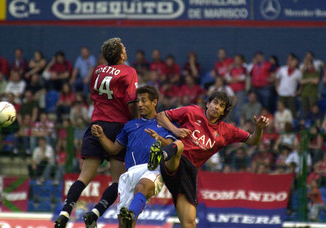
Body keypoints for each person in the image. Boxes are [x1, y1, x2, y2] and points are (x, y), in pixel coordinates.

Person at [150, 91, 269, 227]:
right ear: (208, 103)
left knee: (190, 223)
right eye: (215, 102)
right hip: (174, 160)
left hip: (188, 173)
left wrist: (259, 129)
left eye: (222, 105)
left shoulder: (227, 131)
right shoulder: (192, 111)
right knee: (179, 145)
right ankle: (160, 155)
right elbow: (161, 116)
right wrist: (175, 130)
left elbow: (253, 141)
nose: (217, 107)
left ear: (224, 111)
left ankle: (163, 154)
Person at [54, 37, 138, 228]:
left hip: (96, 125)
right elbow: (132, 102)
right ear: (121, 54)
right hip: (118, 127)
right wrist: (136, 123)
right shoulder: (129, 71)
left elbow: (95, 93)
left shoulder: (98, 70)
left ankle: (65, 212)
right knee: (118, 181)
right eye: (124, 48)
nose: (126, 49)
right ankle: (95, 212)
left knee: (84, 177)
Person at [89, 85, 178, 228]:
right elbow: (113, 149)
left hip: (153, 169)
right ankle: (130, 216)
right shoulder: (130, 125)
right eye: (138, 101)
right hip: (129, 174)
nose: (140, 105)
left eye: (144, 101)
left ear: (154, 102)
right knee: (124, 226)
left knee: (141, 187)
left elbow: (172, 145)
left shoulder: (165, 124)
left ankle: (131, 213)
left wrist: (159, 139)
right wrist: (101, 136)